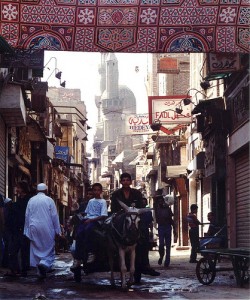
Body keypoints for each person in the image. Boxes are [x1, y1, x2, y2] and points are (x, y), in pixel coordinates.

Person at [111, 173, 159, 283]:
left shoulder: (137, 193)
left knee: (144, 234)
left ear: (131, 182)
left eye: (128, 180)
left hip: (135, 218)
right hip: (120, 219)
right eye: (124, 180)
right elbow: (113, 210)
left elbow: (141, 208)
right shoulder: (116, 194)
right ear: (121, 182)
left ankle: (145, 263)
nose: (126, 182)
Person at [24, 183, 61, 279]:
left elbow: (27, 216)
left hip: (33, 227)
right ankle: (44, 264)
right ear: (46, 191)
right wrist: (58, 231)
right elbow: (54, 216)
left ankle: (40, 270)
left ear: (37, 191)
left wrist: (27, 230)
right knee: (48, 247)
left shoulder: (31, 200)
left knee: (36, 247)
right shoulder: (49, 200)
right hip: (46, 227)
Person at [71, 183, 108, 270]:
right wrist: (79, 215)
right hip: (88, 220)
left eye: (98, 190)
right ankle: (78, 258)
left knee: (89, 230)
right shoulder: (91, 201)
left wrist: (91, 220)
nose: (96, 192)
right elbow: (87, 213)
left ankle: (91, 252)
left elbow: (103, 215)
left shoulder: (103, 202)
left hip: (96, 221)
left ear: (101, 191)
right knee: (79, 233)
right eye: (94, 190)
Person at [134, 197, 160, 283]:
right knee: (137, 256)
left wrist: (151, 234)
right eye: (142, 203)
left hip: (144, 236)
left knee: (144, 254)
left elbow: (150, 224)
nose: (143, 204)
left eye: (144, 203)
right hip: (136, 236)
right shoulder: (135, 212)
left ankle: (145, 269)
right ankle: (137, 276)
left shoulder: (148, 213)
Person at [155, 193, 177, 268]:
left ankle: (167, 261)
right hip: (161, 227)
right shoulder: (157, 208)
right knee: (161, 245)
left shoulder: (167, 208)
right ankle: (161, 257)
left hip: (168, 227)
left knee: (168, 246)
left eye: (162, 201)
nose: (161, 202)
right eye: (159, 201)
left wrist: (174, 229)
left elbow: (171, 219)